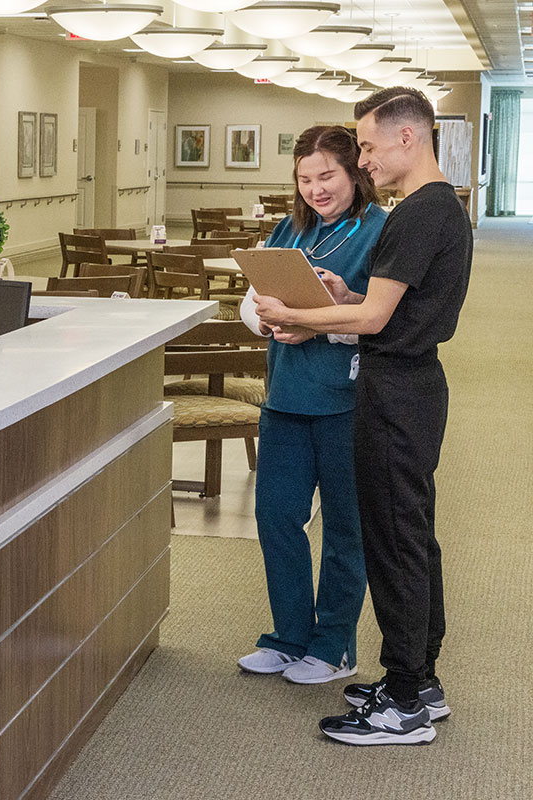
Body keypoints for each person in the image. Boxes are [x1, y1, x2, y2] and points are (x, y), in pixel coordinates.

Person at [255, 87, 472, 746]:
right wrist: (345, 296)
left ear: (408, 137)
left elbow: (376, 320)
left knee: (396, 544)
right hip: (407, 385)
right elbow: (384, 306)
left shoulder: (416, 214)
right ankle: (419, 681)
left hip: (397, 393)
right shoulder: (437, 207)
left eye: (369, 146)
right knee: (411, 539)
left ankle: (403, 701)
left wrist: (296, 313)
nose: (366, 159)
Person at [236, 126, 386, 685]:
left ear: (354, 173)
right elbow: (250, 306)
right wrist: (271, 323)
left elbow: (384, 320)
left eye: (327, 176)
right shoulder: (290, 228)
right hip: (285, 397)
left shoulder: (379, 231)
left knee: (345, 528)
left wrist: (317, 322)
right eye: (304, 179)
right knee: (276, 517)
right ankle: (289, 636)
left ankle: (334, 646)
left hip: (346, 401)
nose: (315, 189)